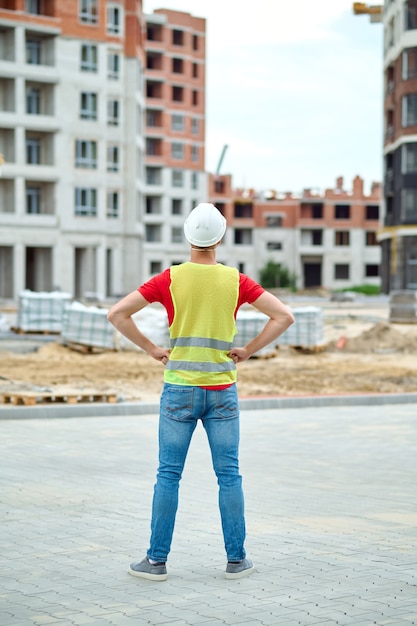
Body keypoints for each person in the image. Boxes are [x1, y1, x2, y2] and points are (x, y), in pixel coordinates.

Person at [107, 203, 294, 581]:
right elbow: (284, 316)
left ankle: (156, 561)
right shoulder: (235, 281)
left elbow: (117, 314)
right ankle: (237, 560)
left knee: (168, 476)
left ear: (188, 237)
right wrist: (248, 350)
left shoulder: (170, 279)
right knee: (229, 476)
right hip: (222, 390)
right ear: (220, 238)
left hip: (179, 391)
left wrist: (152, 349)